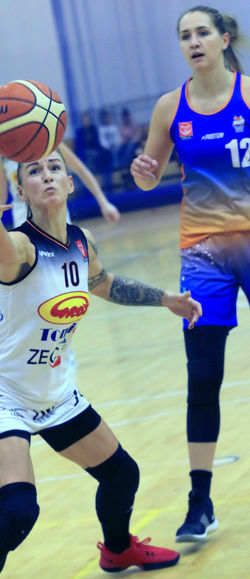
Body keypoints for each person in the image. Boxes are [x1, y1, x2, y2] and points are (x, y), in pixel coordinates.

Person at [0, 148, 202, 579]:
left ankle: (117, 550)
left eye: (55, 168)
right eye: (34, 171)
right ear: (22, 190)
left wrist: (164, 298)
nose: (47, 175)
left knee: (122, 475)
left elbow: (104, 284)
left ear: (70, 182)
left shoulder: (81, 241)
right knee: (18, 513)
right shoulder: (20, 247)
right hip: (4, 399)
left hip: (54, 395)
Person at [130, 5, 250, 544]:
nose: (194, 41)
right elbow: (149, 178)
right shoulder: (168, 108)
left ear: (224, 39)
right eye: (185, 35)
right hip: (203, 254)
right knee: (202, 378)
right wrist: (143, 173)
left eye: (202, 32)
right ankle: (200, 501)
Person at [0, 141, 120, 228]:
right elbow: (0, 196)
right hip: (23, 216)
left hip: (55, 211)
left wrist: (104, 203)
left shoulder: (49, 136)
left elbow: (81, 170)